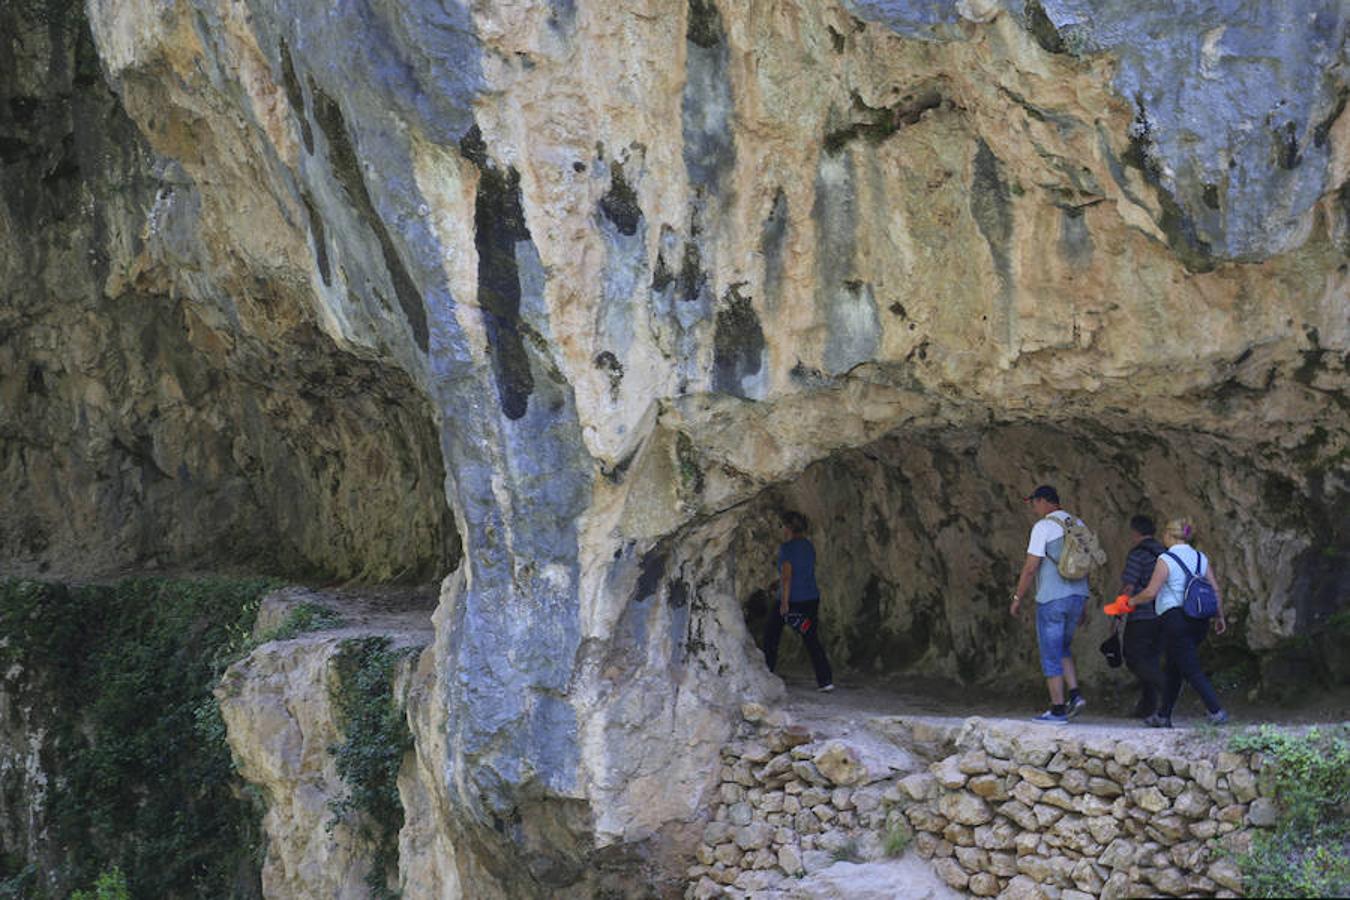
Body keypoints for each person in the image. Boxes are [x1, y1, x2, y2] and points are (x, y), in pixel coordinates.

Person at [1124, 517, 1228, 728]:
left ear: (1170, 535)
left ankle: (1216, 711)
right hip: (1200, 619)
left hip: (1175, 618)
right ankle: (1163, 715)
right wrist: (1220, 615)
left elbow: (1151, 592)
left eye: (1164, 534)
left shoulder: (1166, 559)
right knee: (1174, 667)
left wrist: (1131, 601)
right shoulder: (1201, 558)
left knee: (1190, 668)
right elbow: (1215, 588)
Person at [1009, 485, 1091, 723]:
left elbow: (1031, 567)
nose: (1033, 508)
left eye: (1034, 503)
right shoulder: (1079, 525)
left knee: (1050, 652)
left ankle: (1057, 709)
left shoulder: (1044, 526)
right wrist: (1084, 603)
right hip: (1077, 596)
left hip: (1052, 598)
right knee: (1063, 647)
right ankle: (1075, 695)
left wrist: (1017, 598)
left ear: (1045, 501)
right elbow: (1086, 566)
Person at [762, 510, 834, 692]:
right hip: (810, 598)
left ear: (788, 528)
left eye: (782, 526)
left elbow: (788, 577)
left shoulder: (787, 548)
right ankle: (825, 681)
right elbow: (801, 572)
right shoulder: (808, 546)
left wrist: (784, 603)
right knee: (811, 639)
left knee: (771, 636)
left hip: (791, 599)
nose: (781, 529)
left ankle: (765, 675)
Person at [1118, 515, 1166, 719]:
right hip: (1163, 613)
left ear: (1135, 532)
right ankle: (1147, 707)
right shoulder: (1163, 552)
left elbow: (1129, 585)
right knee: (1151, 659)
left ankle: (1167, 686)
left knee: (1134, 657)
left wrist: (1119, 611)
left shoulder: (1137, 554)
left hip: (1142, 614)